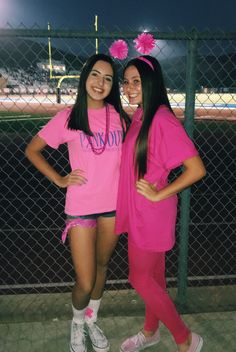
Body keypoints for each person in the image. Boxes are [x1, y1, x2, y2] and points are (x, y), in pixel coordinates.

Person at [25, 53, 130, 352]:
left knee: (102, 265)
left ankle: (91, 319)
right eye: (95, 75)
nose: (101, 83)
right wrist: (59, 179)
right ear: (85, 77)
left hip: (112, 206)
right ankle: (77, 322)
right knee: (85, 280)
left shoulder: (120, 118)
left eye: (108, 78)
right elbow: (32, 150)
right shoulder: (67, 117)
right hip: (81, 207)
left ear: (113, 85)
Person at [115, 55, 206, 352]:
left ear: (151, 82)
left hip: (151, 212)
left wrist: (158, 193)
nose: (129, 88)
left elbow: (196, 169)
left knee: (138, 277)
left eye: (136, 81)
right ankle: (151, 332)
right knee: (153, 277)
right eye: (126, 82)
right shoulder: (142, 114)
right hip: (141, 210)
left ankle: (185, 338)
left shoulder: (161, 119)